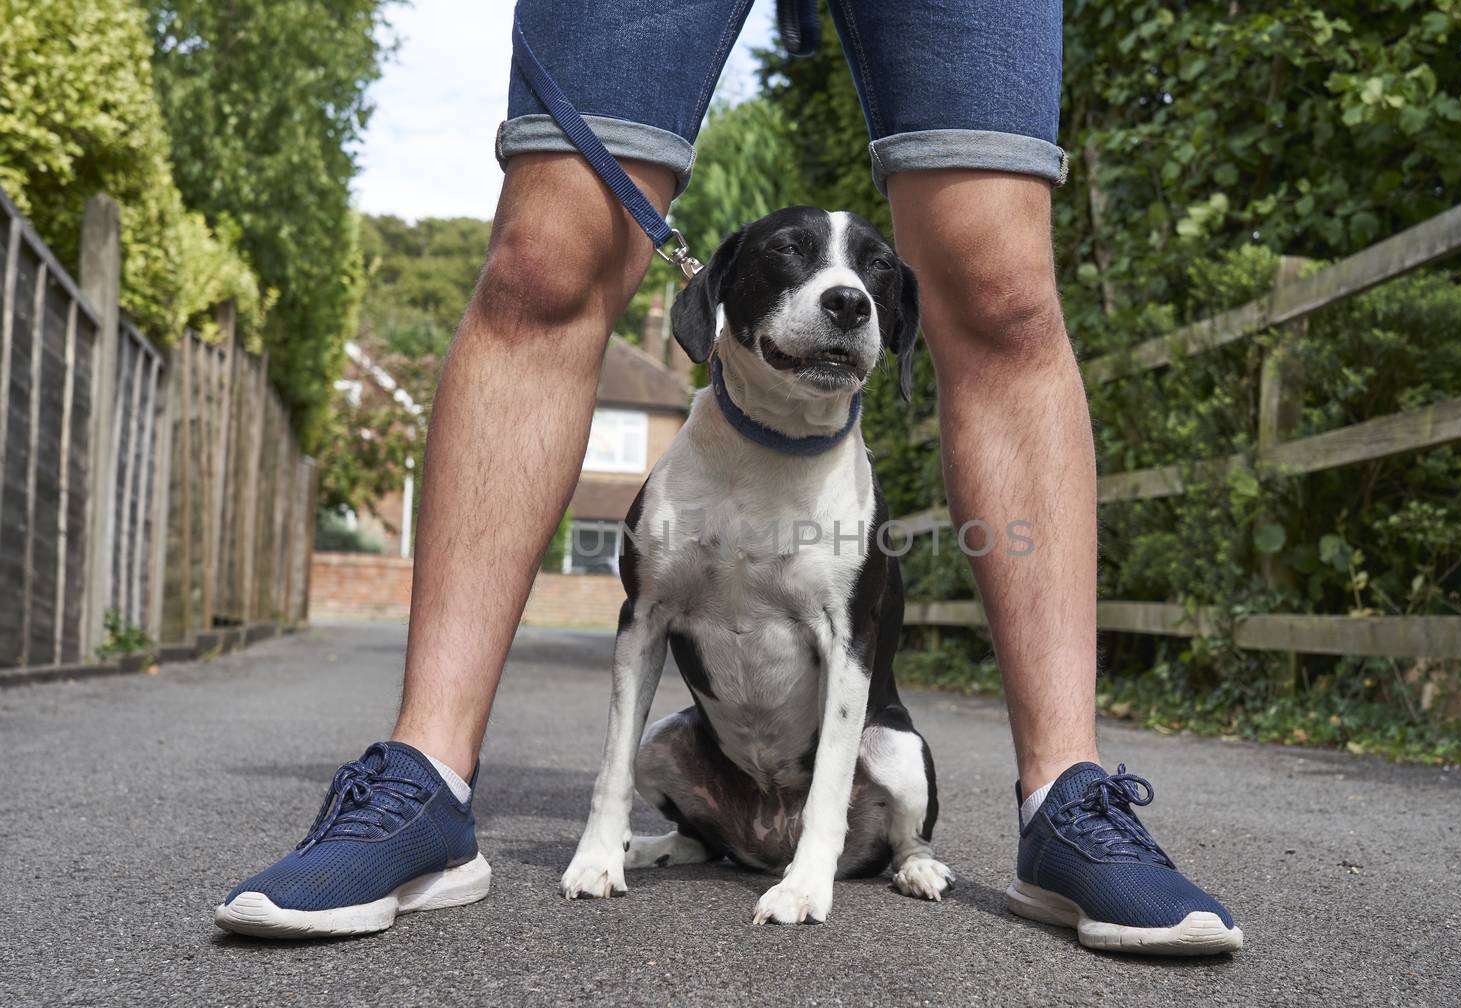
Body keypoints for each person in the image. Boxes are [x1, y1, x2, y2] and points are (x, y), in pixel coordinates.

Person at [217, 0, 1241, 954]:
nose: (842, 298)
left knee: (1002, 281)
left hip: (843, 769)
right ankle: (427, 776)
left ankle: (1065, 792)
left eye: (863, 288)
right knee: (546, 253)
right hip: (714, 747)